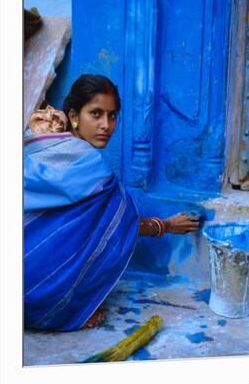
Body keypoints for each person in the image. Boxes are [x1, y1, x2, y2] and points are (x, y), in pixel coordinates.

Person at [24, 74, 199, 331]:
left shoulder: (40, 147)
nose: (106, 125)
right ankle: (63, 308)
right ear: (74, 116)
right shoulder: (92, 168)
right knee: (112, 212)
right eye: (95, 114)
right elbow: (123, 224)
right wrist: (166, 226)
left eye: (112, 115)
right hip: (39, 296)